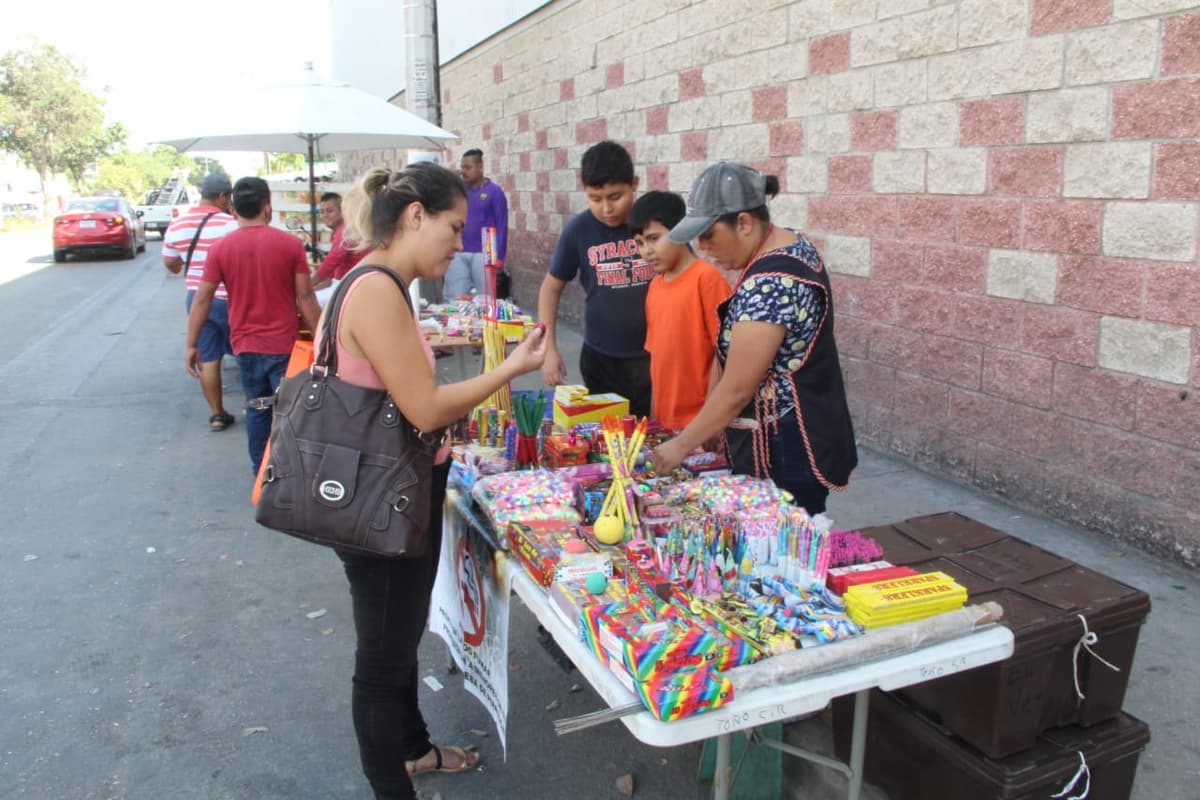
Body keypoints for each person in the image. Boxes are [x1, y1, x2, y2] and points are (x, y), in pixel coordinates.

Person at [322, 163, 545, 800]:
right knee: (383, 657)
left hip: (395, 490)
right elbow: (423, 408)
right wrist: (513, 367)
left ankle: (413, 748)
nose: (459, 242)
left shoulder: (384, 286)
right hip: (378, 501)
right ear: (415, 216)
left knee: (397, 636)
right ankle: (391, 785)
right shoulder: (374, 291)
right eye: (452, 226)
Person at [651, 162, 857, 514]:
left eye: (709, 235)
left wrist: (682, 445)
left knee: (784, 545)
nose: (702, 248)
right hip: (788, 433)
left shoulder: (772, 283)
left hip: (787, 446)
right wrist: (708, 425)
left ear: (744, 222)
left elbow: (738, 389)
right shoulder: (788, 244)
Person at [184, 177, 321, 475]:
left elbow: (202, 298)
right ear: (268, 207)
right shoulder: (290, 245)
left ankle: (262, 474)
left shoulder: (220, 248)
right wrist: (324, 339)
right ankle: (292, 474)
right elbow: (306, 298)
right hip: (284, 348)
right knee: (290, 410)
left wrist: (191, 343)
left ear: (233, 211)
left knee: (258, 408)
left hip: (245, 347)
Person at [537, 140, 654, 416]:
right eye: (595, 199)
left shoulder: (654, 225)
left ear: (634, 184)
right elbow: (550, 290)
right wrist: (548, 350)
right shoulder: (578, 230)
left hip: (653, 358)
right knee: (606, 440)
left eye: (615, 196)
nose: (606, 209)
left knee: (651, 439)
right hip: (600, 359)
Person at [630, 191, 732, 431]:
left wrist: (711, 422)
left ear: (681, 231)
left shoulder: (706, 279)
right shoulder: (655, 286)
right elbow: (657, 359)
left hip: (701, 424)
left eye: (654, 238)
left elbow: (727, 356)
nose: (647, 250)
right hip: (666, 422)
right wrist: (655, 416)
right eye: (639, 243)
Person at [163, 173, 238, 431]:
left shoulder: (177, 224)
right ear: (222, 197)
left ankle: (217, 415)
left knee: (209, 358)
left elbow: (171, 263)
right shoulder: (229, 224)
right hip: (228, 299)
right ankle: (258, 407)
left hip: (196, 300)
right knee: (244, 352)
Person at [443, 148, 509, 300]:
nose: (464, 171)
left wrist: (499, 258)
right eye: (462, 167)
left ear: (480, 167)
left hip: (486, 250)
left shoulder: (494, 192)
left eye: (468, 167)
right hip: (459, 250)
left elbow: (502, 225)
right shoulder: (458, 191)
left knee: (485, 299)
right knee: (454, 297)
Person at [311, 191, 368, 289]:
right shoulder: (344, 229)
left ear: (342, 211)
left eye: (329, 211)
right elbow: (330, 275)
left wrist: (305, 287)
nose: (324, 215)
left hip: (352, 285)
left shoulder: (345, 232)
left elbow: (330, 263)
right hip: (347, 282)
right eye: (322, 212)